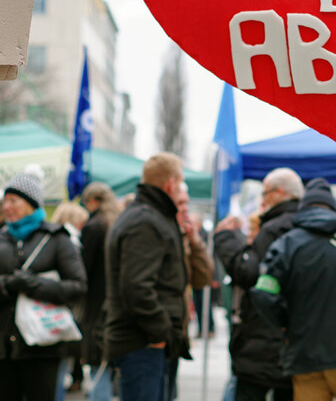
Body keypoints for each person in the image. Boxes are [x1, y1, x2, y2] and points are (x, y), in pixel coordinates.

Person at [252, 177, 336, 401]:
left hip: (304, 355)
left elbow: (263, 292)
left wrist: (284, 322)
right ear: (331, 207)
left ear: (304, 207)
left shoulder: (286, 243)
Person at [214, 167, 304, 401]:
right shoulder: (306, 225)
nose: (262, 200)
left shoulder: (273, 228)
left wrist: (225, 240)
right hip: (297, 339)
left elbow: (249, 274)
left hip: (263, 337)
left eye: (264, 193)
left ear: (278, 193)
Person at [103, 152, 188, 401]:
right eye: (180, 183)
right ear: (170, 183)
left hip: (143, 340)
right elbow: (136, 287)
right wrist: (160, 333)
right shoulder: (146, 221)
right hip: (141, 342)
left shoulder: (147, 215)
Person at [0, 172, 87, 400]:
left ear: (30, 203)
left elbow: (77, 287)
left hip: (42, 346)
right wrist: (7, 284)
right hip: (3, 348)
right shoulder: (2, 238)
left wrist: (34, 285)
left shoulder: (57, 238)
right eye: (5, 201)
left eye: (13, 201)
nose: (6, 207)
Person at [170, 182, 214, 401]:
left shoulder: (183, 238)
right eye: (181, 203)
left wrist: (195, 243)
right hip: (158, 335)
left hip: (175, 333)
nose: (185, 209)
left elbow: (203, 278)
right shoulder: (158, 234)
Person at [79, 182, 121, 401]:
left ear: (92, 201)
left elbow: (82, 269)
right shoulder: (119, 223)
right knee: (111, 366)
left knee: (97, 365)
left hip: (96, 304)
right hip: (117, 304)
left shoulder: (93, 226)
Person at [51, 202, 89, 400]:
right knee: (59, 366)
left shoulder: (52, 239)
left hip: (54, 309)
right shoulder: (70, 242)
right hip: (64, 311)